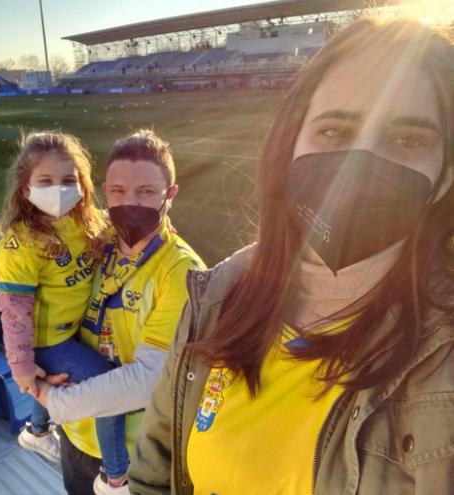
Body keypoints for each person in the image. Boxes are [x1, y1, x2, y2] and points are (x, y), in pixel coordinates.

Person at [129, 17, 454, 495]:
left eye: (408, 140)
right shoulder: (219, 294)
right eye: (335, 131)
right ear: (290, 146)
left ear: (443, 178)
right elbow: (153, 473)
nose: (358, 167)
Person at [34, 130, 205, 495]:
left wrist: (53, 401)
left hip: (134, 455)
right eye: (117, 191)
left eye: (146, 192)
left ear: (169, 196)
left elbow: (148, 380)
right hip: (77, 436)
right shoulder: (94, 236)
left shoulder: (182, 273)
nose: (129, 203)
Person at [0, 130, 131, 481]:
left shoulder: (81, 220)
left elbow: (113, 229)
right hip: (46, 341)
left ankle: (37, 431)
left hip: (71, 331)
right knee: (110, 389)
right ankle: (115, 477)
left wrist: (157, 226)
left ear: (82, 184)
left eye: (68, 179)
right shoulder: (20, 243)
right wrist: (23, 366)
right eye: (46, 180)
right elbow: (14, 311)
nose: (59, 188)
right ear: (26, 188)